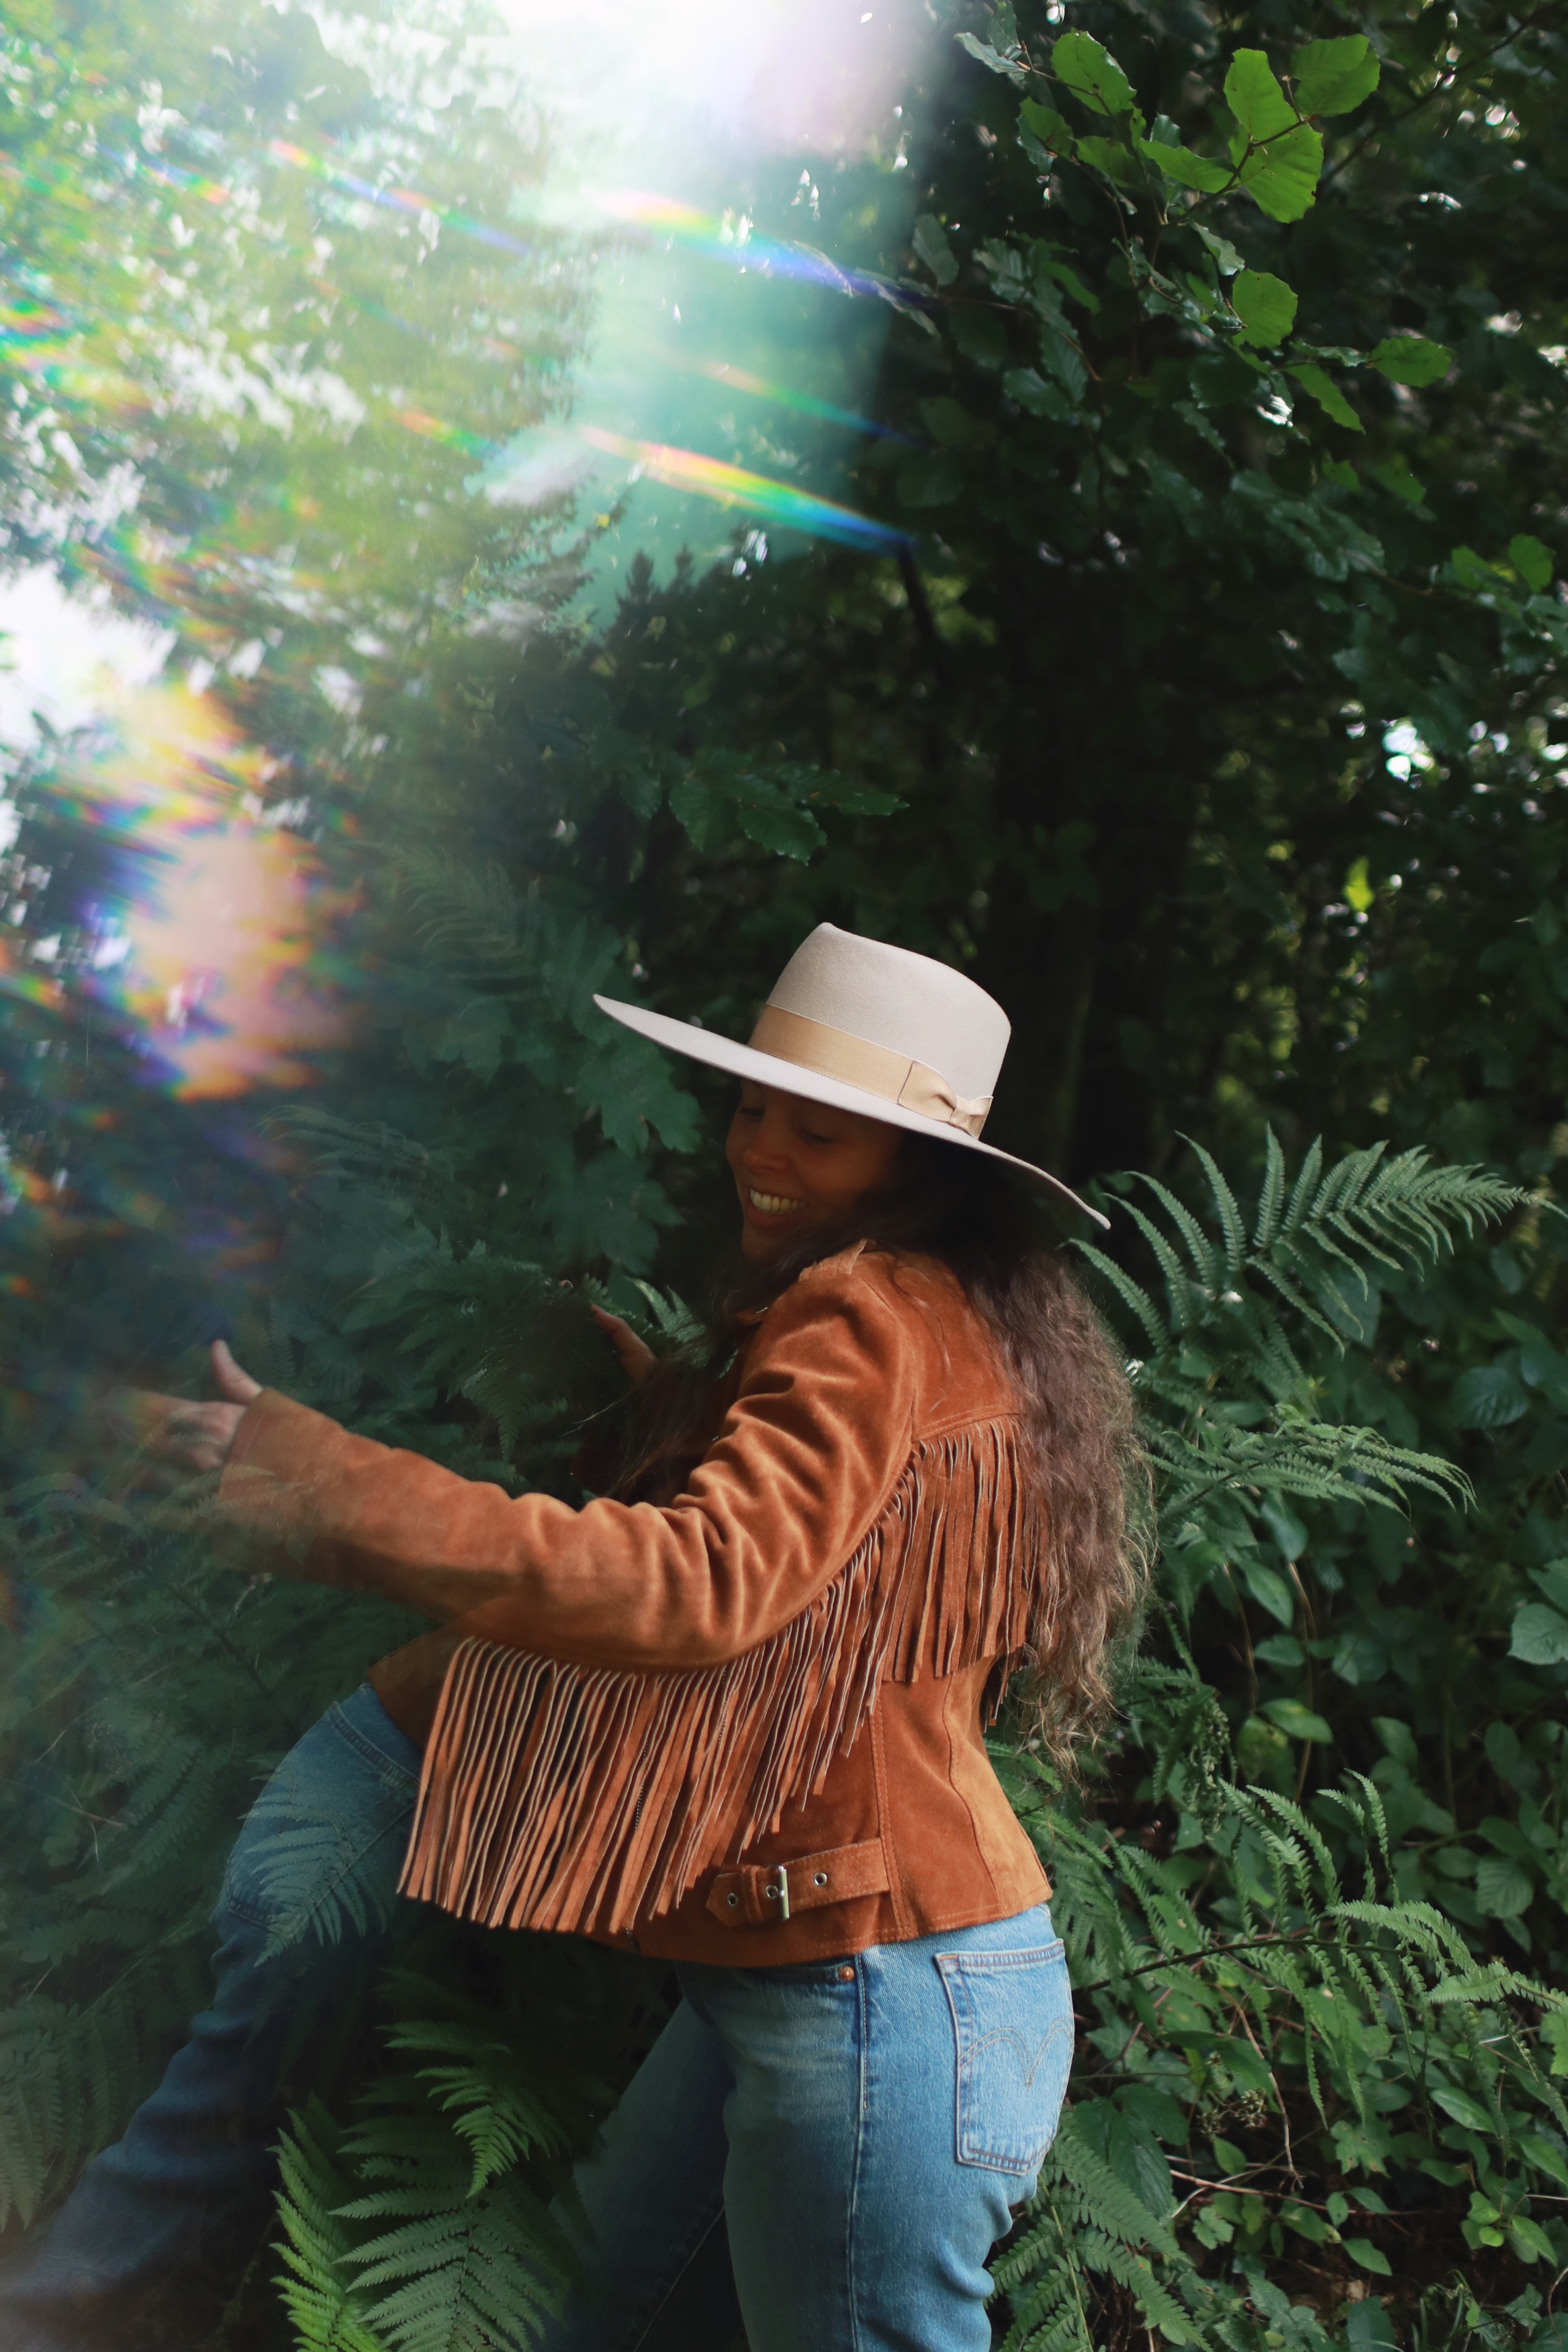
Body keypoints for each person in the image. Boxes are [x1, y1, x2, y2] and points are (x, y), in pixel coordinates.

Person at [0, 922, 1145, 2352]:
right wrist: (669, 1419)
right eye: (753, 1106)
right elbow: (827, 1599)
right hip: (845, 1974)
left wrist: (321, 1481)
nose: (761, 1150)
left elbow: (706, 1584)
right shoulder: (953, 1318)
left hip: (880, 1991)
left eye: (819, 1131)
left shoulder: (859, 1312)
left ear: (916, 1162)